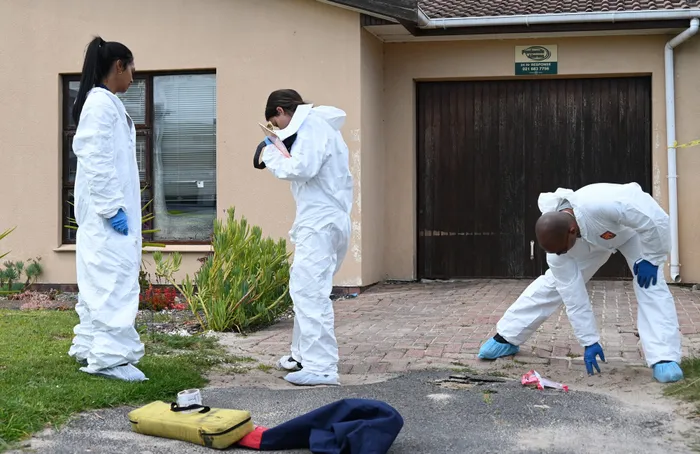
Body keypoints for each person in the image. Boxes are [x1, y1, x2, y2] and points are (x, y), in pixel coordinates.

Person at [478, 182, 684, 383]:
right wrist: (589, 340)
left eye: (562, 250)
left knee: (650, 285)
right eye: (556, 252)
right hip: (590, 242)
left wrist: (653, 258)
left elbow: (655, 219)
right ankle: (507, 336)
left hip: (632, 234)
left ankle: (664, 357)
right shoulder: (558, 250)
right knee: (554, 284)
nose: (560, 255)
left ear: (571, 230)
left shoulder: (604, 203)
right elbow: (573, 294)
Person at [260, 89, 353, 386]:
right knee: (306, 289)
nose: (277, 129)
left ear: (280, 111)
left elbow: (302, 168)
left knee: (310, 292)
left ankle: (321, 367)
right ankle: (301, 356)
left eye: (275, 123)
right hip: (329, 220)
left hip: (320, 223)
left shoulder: (311, 126)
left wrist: (270, 153)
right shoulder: (321, 127)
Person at [67, 36, 147, 382]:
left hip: (104, 215)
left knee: (101, 284)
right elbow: (96, 158)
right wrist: (112, 208)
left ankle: (91, 347)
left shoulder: (104, 102)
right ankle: (110, 360)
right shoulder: (100, 104)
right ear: (118, 66)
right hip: (106, 217)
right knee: (113, 283)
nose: (133, 77)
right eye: (132, 69)